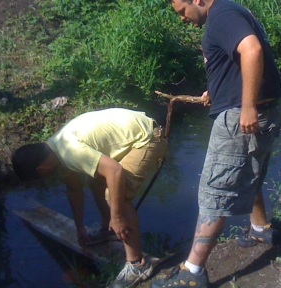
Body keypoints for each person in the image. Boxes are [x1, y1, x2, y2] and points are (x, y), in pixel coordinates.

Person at [152, 0, 281, 288]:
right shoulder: (229, 9)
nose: (183, 19)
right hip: (264, 110)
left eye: (182, 11)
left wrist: (247, 106)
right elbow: (235, 60)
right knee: (247, 174)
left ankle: (193, 273)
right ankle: (261, 228)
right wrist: (217, 88)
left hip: (245, 115)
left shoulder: (220, 17)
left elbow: (251, 51)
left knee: (214, 192)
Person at [11, 108, 168, 288]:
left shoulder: (70, 152)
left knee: (116, 195)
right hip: (138, 130)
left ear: (41, 170)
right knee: (94, 181)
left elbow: (114, 171)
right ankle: (107, 229)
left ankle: (137, 264)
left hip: (148, 138)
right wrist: (79, 227)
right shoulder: (56, 147)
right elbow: (74, 190)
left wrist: (116, 217)